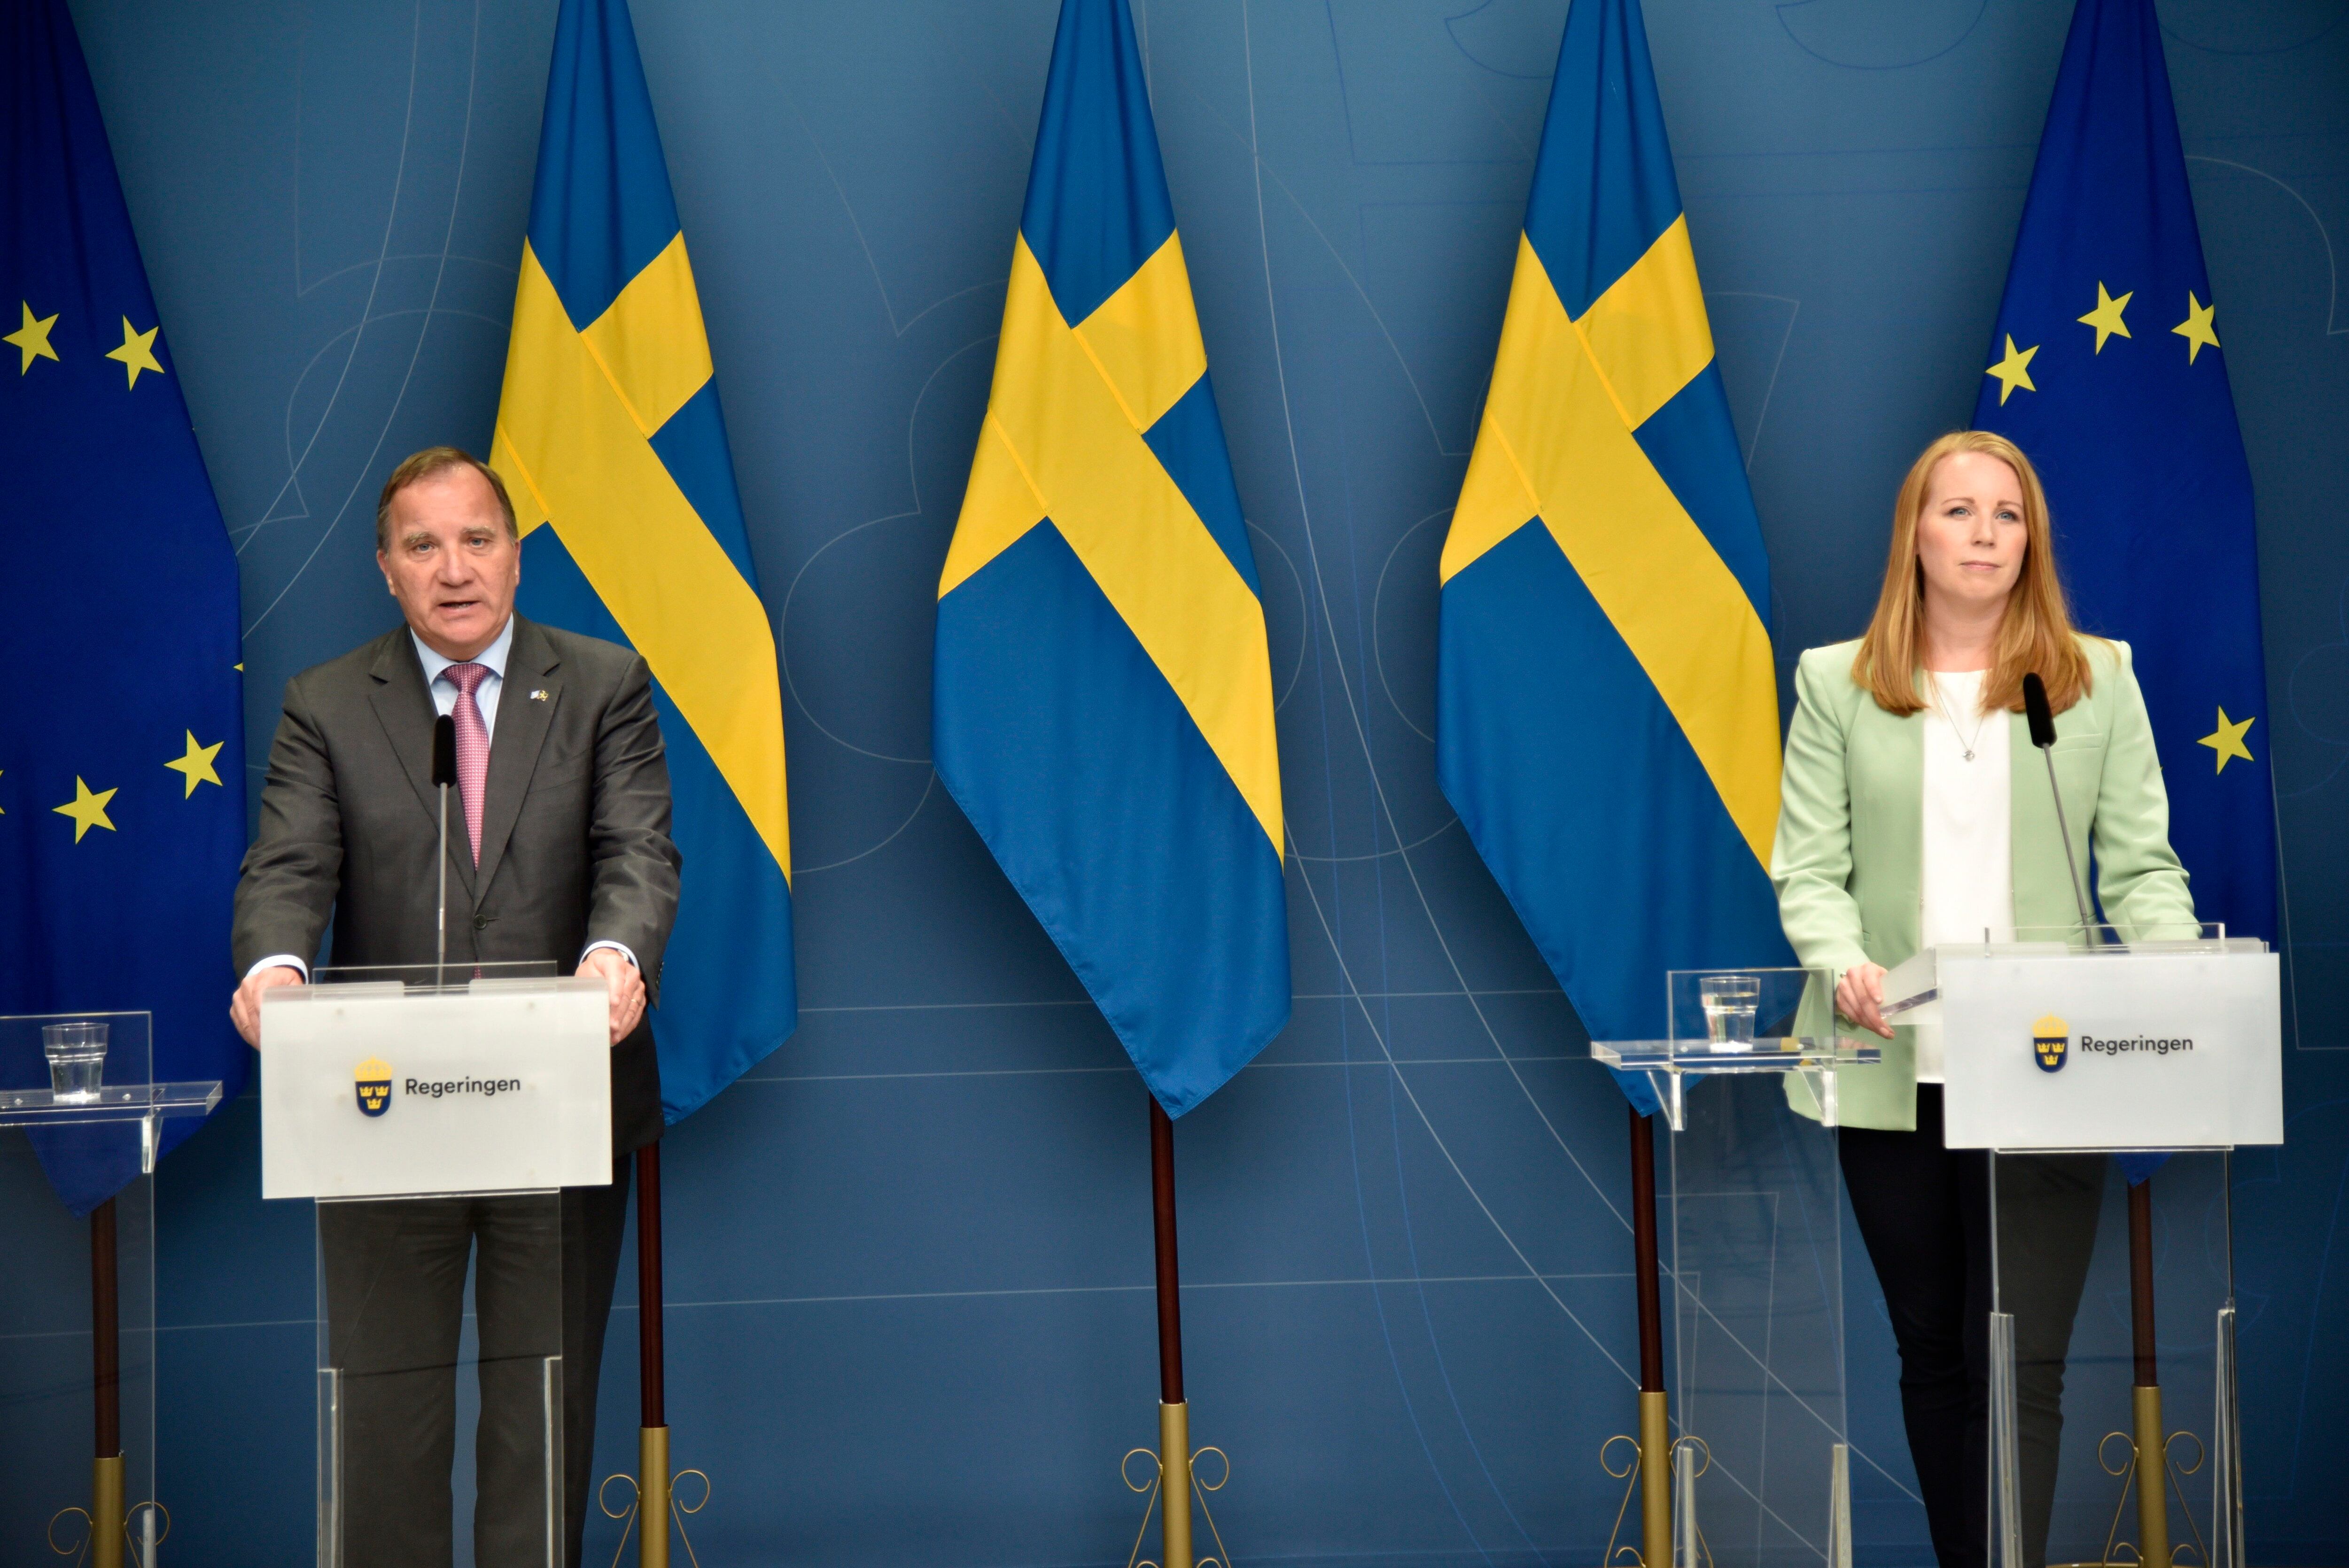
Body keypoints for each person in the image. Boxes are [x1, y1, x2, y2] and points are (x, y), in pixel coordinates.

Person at [229, 446, 680, 1568]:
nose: (454, 568)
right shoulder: (328, 704)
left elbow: (636, 852)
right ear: (385, 570)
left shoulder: (603, 683)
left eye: (477, 539)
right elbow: (289, 866)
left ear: (516, 556)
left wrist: (614, 959)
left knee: (544, 1417)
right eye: (422, 546)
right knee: (389, 1422)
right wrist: (274, 969)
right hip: (385, 1113)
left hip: (561, 1106)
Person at [1771, 430, 2196, 1568]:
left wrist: (2178, 979)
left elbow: (2143, 870)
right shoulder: (1836, 681)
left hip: (2045, 1065)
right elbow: (1809, 871)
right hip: (1884, 1061)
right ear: (1914, 532)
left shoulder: (2091, 678)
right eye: (1958, 511)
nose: (1983, 535)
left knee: (2020, 1359)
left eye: (2006, 516)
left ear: (2031, 540)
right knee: (1935, 1354)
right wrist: (1842, 959)